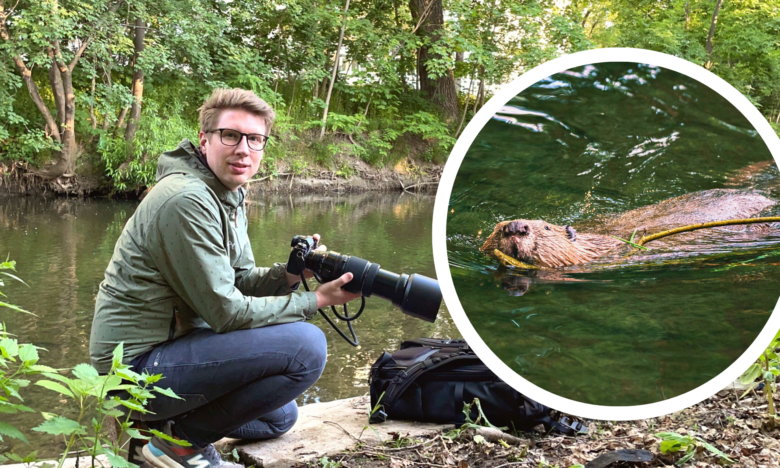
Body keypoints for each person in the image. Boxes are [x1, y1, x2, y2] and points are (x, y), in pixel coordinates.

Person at [89, 88, 361, 468]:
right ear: (205, 140)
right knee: (306, 347)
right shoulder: (187, 199)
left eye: (255, 139)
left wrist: (291, 275)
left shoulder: (228, 193)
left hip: (176, 348)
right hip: (133, 372)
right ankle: (178, 445)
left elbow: (239, 279)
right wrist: (317, 300)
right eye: (230, 135)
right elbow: (226, 313)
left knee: (279, 416)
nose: (243, 149)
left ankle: (161, 430)